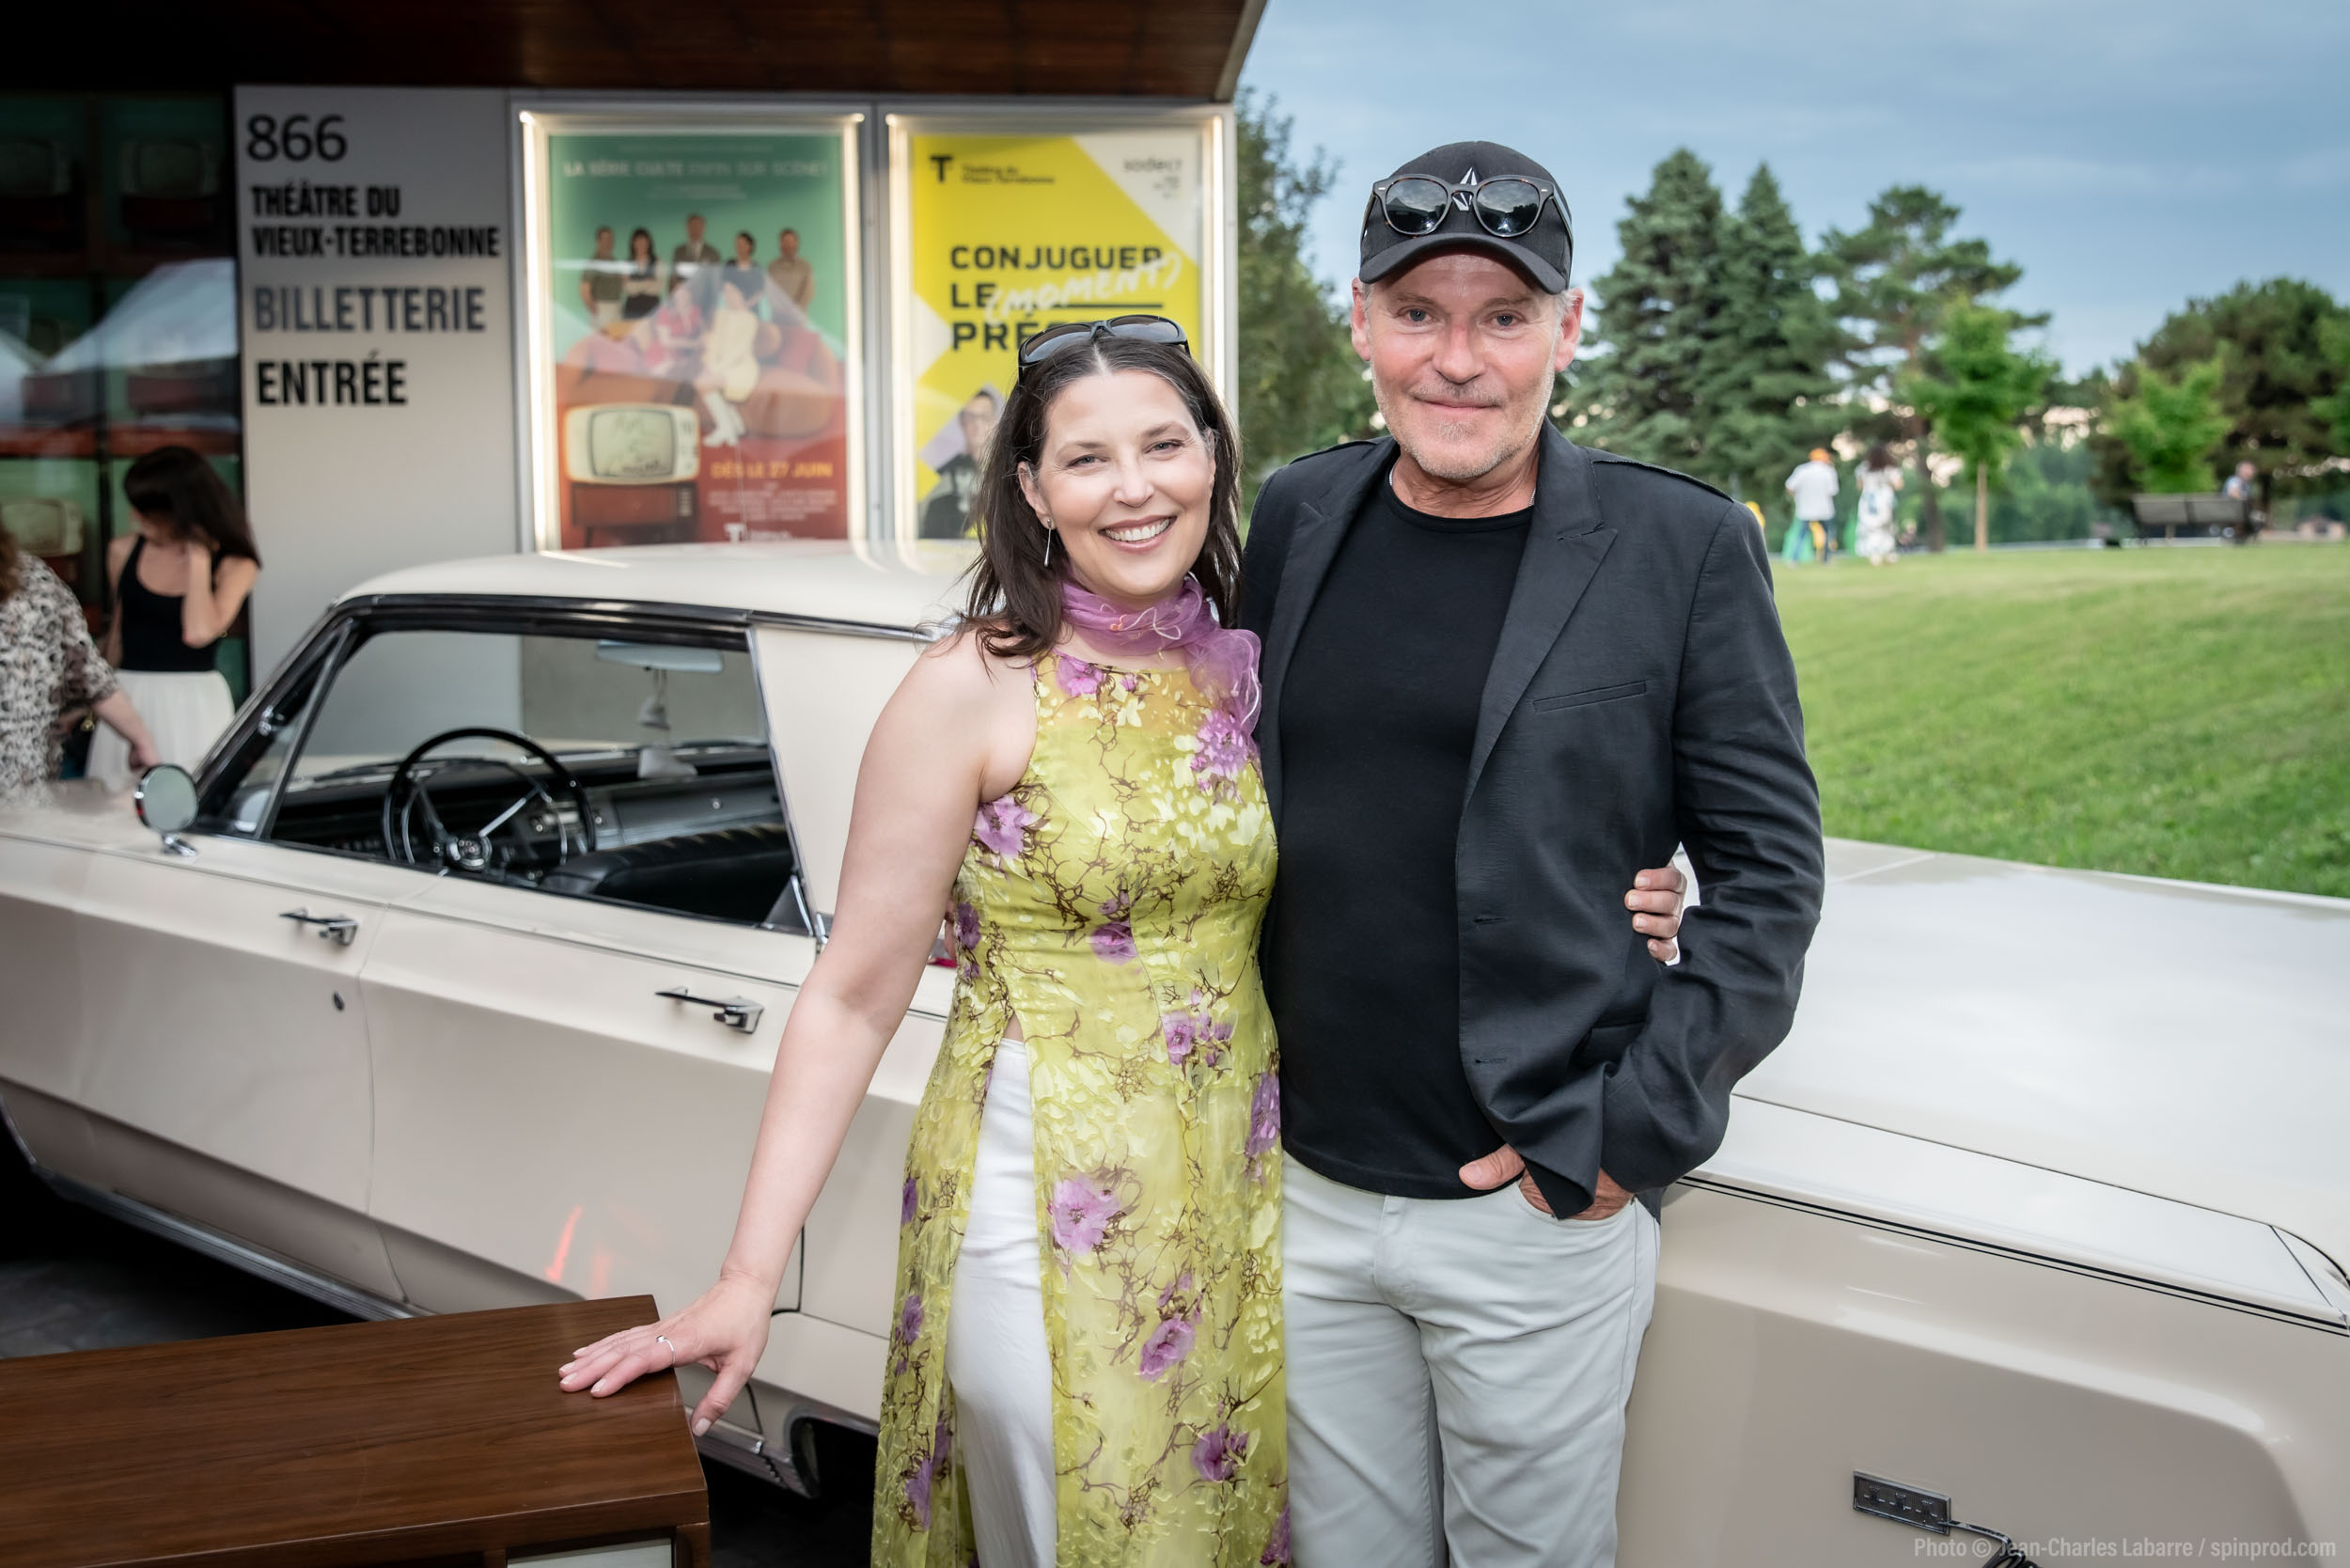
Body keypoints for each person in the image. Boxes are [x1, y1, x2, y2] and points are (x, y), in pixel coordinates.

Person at [556, 310, 1697, 1566]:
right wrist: (743, 1276)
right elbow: (850, 997)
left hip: (1245, 1199)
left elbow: (1395, 843)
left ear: (1214, 456)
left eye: (1165, 444)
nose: (1136, 488)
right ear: (1034, 492)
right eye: (1087, 459)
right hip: (1039, 1199)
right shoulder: (970, 686)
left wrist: (1618, 893)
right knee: (1085, 1521)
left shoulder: (1254, 668)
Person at [1241, 141, 1822, 1568]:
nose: (1459, 360)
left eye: (1503, 317)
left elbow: (1769, 873)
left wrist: (1628, 1132)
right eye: (1419, 314)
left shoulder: (1679, 545)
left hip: (1535, 1201)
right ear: (1360, 323)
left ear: (1568, 328)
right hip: (1306, 1188)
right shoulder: (1298, 516)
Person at [87, 447, 259, 790]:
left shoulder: (235, 563)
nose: (138, 518)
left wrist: (197, 556)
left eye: (149, 511)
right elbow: (118, 635)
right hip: (129, 694)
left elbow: (198, 633)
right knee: (113, 805)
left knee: (190, 798)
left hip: (194, 701)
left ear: (180, 510)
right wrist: (92, 701)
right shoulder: (124, 550)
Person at [0, 526, 157, 798]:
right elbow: (89, 673)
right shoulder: (32, 577)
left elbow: (89, 673)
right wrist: (142, 741)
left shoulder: (31, 578)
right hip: (23, 794)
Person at [918, 388, 1002, 539]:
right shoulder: (942, 475)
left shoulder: (1005, 471)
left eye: (984, 417)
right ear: (962, 422)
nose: (978, 425)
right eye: (971, 418)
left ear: (994, 421)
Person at [1785, 447, 1839, 563]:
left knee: (1801, 535)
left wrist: (1795, 498)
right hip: (1824, 509)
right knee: (1828, 534)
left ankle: (1794, 560)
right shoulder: (1829, 471)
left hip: (1805, 508)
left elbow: (1790, 487)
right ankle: (1826, 560)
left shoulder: (1802, 470)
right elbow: (1832, 491)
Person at [1855, 443, 1904, 566]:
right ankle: (1888, 553)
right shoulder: (1890, 469)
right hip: (1885, 501)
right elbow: (1898, 485)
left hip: (1868, 502)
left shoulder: (1863, 468)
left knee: (1871, 528)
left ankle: (1874, 554)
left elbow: (1860, 486)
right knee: (1887, 528)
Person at [579, 225, 624, 328]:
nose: (609, 242)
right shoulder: (593, 262)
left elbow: (619, 285)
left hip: (616, 306)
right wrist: (596, 311)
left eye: (611, 239)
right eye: (605, 238)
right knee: (602, 343)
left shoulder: (614, 261)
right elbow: (584, 291)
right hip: (602, 308)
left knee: (615, 342)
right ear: (598, 241)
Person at [766, 227, 815, 311]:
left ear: (796, 243)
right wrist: (780, 308)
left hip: (798, 317)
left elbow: (808, 292)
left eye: (790, 242)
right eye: (785, 242)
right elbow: (769, 290)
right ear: (781, 244)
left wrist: (795, 309)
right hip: (778, 316)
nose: (788, 245)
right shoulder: (772, 267)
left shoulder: (805, 266)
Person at [620, 227, 663, 321]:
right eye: (638, 241)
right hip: (632, 309)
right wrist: (648, 282)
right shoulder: (627, 263)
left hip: (652, 309)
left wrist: (635, 285)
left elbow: (658, 288)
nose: (641, 245)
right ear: (633, 243)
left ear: (649, 243)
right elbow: (627, 289)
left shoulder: (657, 261)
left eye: (644, 241)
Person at [671, 212, 719, 277]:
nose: (695, 230)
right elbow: (674, 276)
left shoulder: (713, 253)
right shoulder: (679, 252)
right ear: (687, 228)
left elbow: (715, 278)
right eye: (692, 226)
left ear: (703, 228)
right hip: (684, 286)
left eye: (698, 226)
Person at [722, 231, 764, 302]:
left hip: (751, 306)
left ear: (750, 246)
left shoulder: (756, 267)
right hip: (732, 306)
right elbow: (725, 285)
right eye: (738, 244)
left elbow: (759, 290)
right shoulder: (729, 264)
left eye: (743, 244)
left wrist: (748, 304)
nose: (740, 246)